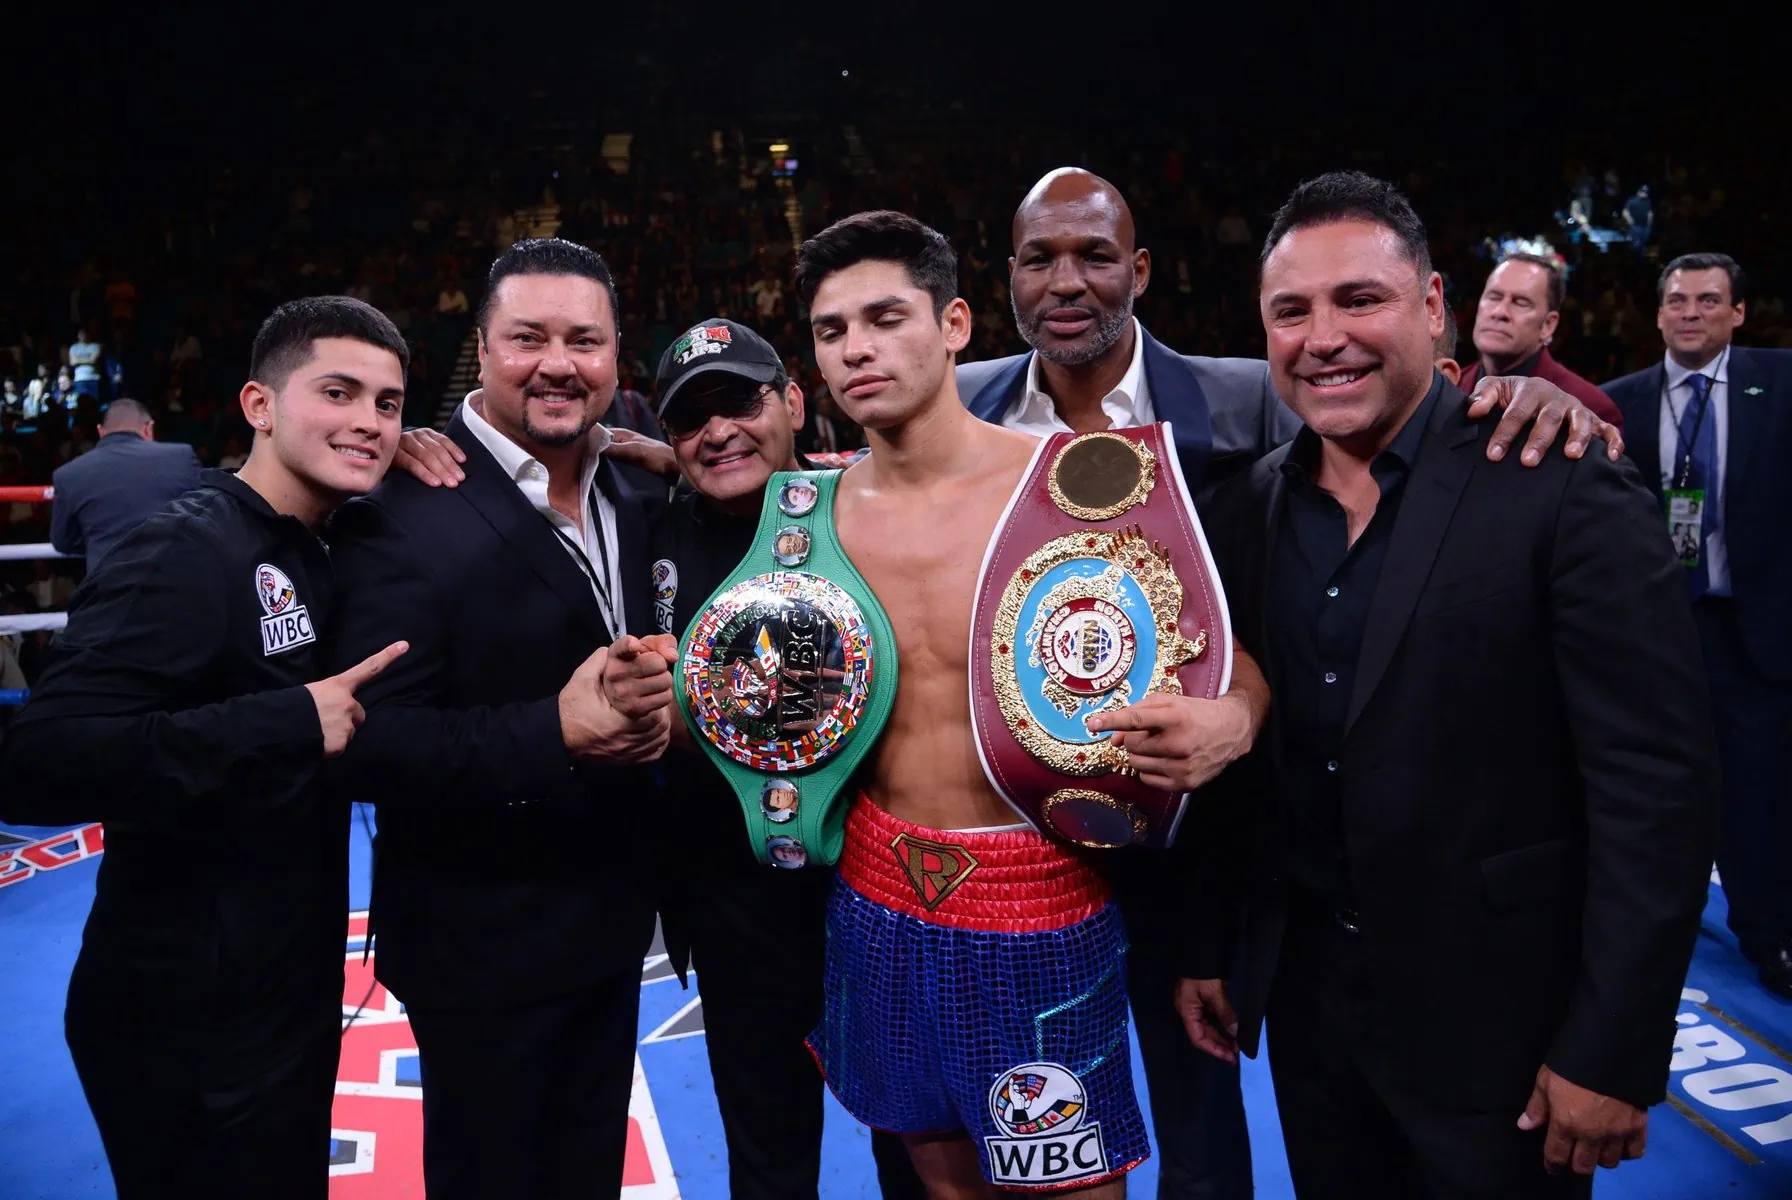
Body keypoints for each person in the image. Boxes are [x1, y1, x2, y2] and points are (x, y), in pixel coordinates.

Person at [958, 167, 1623, 1200]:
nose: (1066, 280)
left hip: (1203, 842)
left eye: (1093, 255)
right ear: (1005, 277)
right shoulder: (956, 408)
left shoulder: (1251, 395)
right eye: (1039, 258)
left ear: (1138, 269)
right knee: (1023, 1135)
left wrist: (1521, 389)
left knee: (1203, 1132)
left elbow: (1388, 447)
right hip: (1014, 847)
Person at [1178, 171, 1717, 1197]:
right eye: (1290, 311)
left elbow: (1656, 787)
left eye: (1359, 300)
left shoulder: (1563, 480)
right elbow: (1246, 763)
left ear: (1433, 309)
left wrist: (1610, 1049)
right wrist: (1214, 941)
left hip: (1505, 1032)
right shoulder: (1245, 511)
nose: (1322, 336)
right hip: (1312, 1021)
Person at [376, 313, 929, 1199]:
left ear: (793, 401)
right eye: (689, 418)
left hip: (887, 887)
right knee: (768, 1153)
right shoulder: (646, 524)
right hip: (736, 900)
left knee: (921, 1149)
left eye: (739, 403)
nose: (716, 431)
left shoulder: (884, 512)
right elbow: (533, 485)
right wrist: (414, 443)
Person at [794, 210, 1271, 1198]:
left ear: (957, 324)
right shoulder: (807, 519)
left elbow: (1221, 653)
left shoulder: (1070, 489)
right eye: (832, 331)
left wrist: (1234, 719)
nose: (858, 349)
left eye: (885, 318)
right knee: (941, 1181)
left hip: (1041, 901)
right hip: (877, 895)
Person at [0, 296, 414, 1198]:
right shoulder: (183, 548)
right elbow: (39, 757)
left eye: (388, 404)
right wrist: (286, 722)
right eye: (338, 392)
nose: (368, 422)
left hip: (277, 994)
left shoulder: (317, 538)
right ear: (258, 406)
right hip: (184, 1019)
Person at [325, 237, 675, 1200]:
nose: (558, 363)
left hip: (613, 926)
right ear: (483, 349)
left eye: (584, 341)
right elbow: (371, 742)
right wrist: (555, 730)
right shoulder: (395, 504)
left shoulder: (638, 487)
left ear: (614, 357)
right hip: (478, 940)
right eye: (529, 338)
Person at [1604, 253, 1792, 998]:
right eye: (1677, 300)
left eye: (1709, 300)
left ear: (1738, 313)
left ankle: (1770, 933)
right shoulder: (1622, 401)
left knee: (1762, 794)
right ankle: (1652, 939)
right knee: (1658, 796)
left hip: (1759, 635)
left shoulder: (1780, 385)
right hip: (1662, 637)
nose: (1691, 312)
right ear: (1656, 315)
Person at [1460, 254, 1622, 428]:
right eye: (1494, 297)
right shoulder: (1449, 385)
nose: (1500, 312)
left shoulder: (1590, 409)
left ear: (1548, 325)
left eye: (1520, 302)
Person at [49, 396, 203, 571]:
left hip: (108, 586)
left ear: (101, 431)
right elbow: (204, 519)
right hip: (173, 582)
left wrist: (97, 540)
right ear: (149, 428)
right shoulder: (181, 456)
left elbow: (63, 543)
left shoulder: (69, 474)